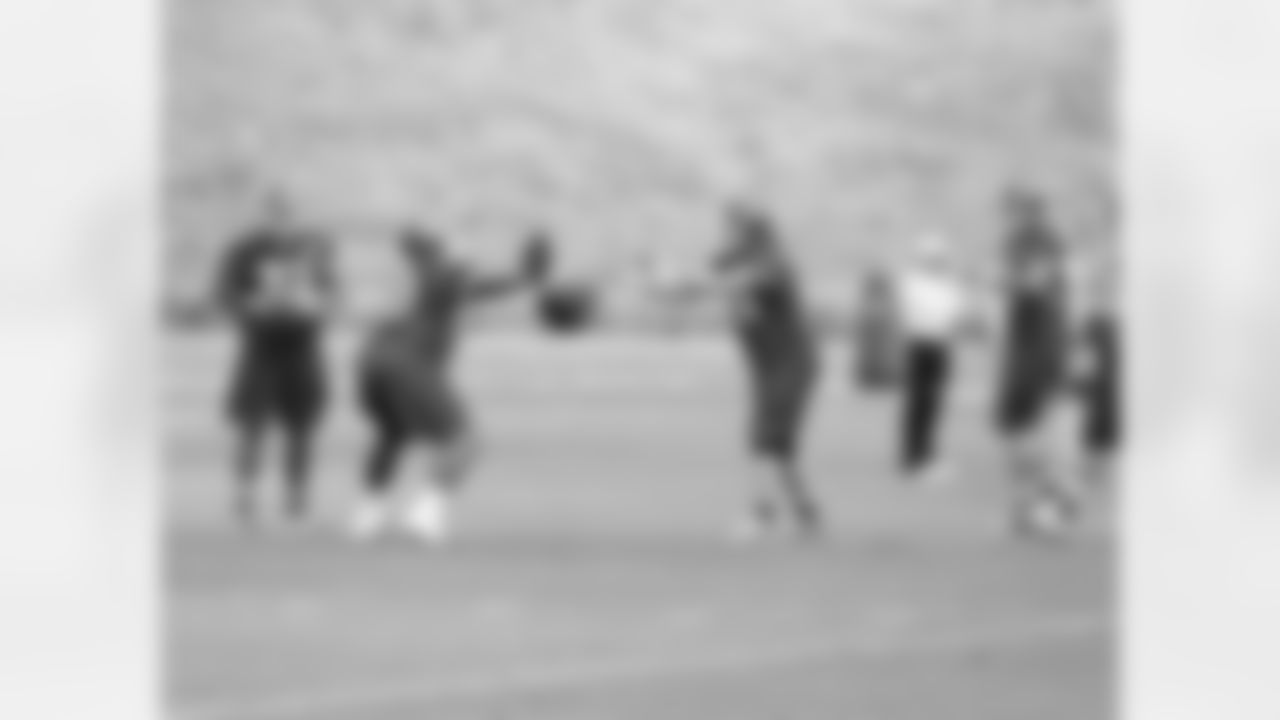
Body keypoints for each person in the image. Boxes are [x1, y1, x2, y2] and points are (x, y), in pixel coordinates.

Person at [349, 227, 548, 543]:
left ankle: (367, 515)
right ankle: (425, 513)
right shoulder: (438, 272)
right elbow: (472, 286)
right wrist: (524, 276)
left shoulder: (405, 276)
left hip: (370, 364)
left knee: (392, 434)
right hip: (409, 364)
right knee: (465, 441)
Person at [654, 202, 823, 540]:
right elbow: (705, 283)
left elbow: (735, 283)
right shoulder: (733, 262)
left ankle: (762, 514)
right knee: (778, 445)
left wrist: (684, 284)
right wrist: (670, 288)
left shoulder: (773, 265)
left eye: (734, 230)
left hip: (791, 364)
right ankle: (805, 511)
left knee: (762, 439)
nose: (727, 237)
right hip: (768, 366)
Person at [216, 194, 337, 524]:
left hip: (302, 347)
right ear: (264, 216)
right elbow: (225, 293)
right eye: (275, 216)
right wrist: (250, 305)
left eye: (287, 216)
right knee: (252, 424)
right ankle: (245, 494)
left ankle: (296, 497)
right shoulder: (244, 250)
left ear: (296, 217)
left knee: (302, 425)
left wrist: (317, 304)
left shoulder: (314, 247)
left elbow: (332, 292)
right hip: (260, 347)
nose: (281, 223)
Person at [994, 188, 1076, 537]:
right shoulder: (1022, 251)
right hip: (1025, 366)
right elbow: (1022, 289)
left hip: (1042, 366)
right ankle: (1032, 506)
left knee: (1040, 443)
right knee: (1021, 443)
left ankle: (1048, 504)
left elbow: (1036, 287)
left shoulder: (1043, 252)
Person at [893, 233, 972, 484]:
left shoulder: (942, 285)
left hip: (938, 347)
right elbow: (940, 313)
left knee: (932, 403)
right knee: (920, 402)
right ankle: (914, 456)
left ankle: (924, 454)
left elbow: (957, 313)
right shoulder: (915, 283)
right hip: (921, 346)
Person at [852, 266, 902, 392]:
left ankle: (876, 373)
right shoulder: (883, 310)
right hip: (877, 369)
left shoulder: (873, 309)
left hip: (876, 369)